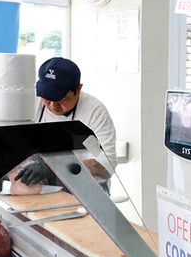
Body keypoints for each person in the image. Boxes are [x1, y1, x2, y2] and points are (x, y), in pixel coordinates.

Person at [14, 57, 117, 188]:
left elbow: (107, 164)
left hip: (87, 188)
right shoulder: (31, 103)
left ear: (78, 89)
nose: (52, 105)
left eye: (61, 99)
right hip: (43, 188)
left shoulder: (94, 112)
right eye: (47, 97)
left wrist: (55, 167)